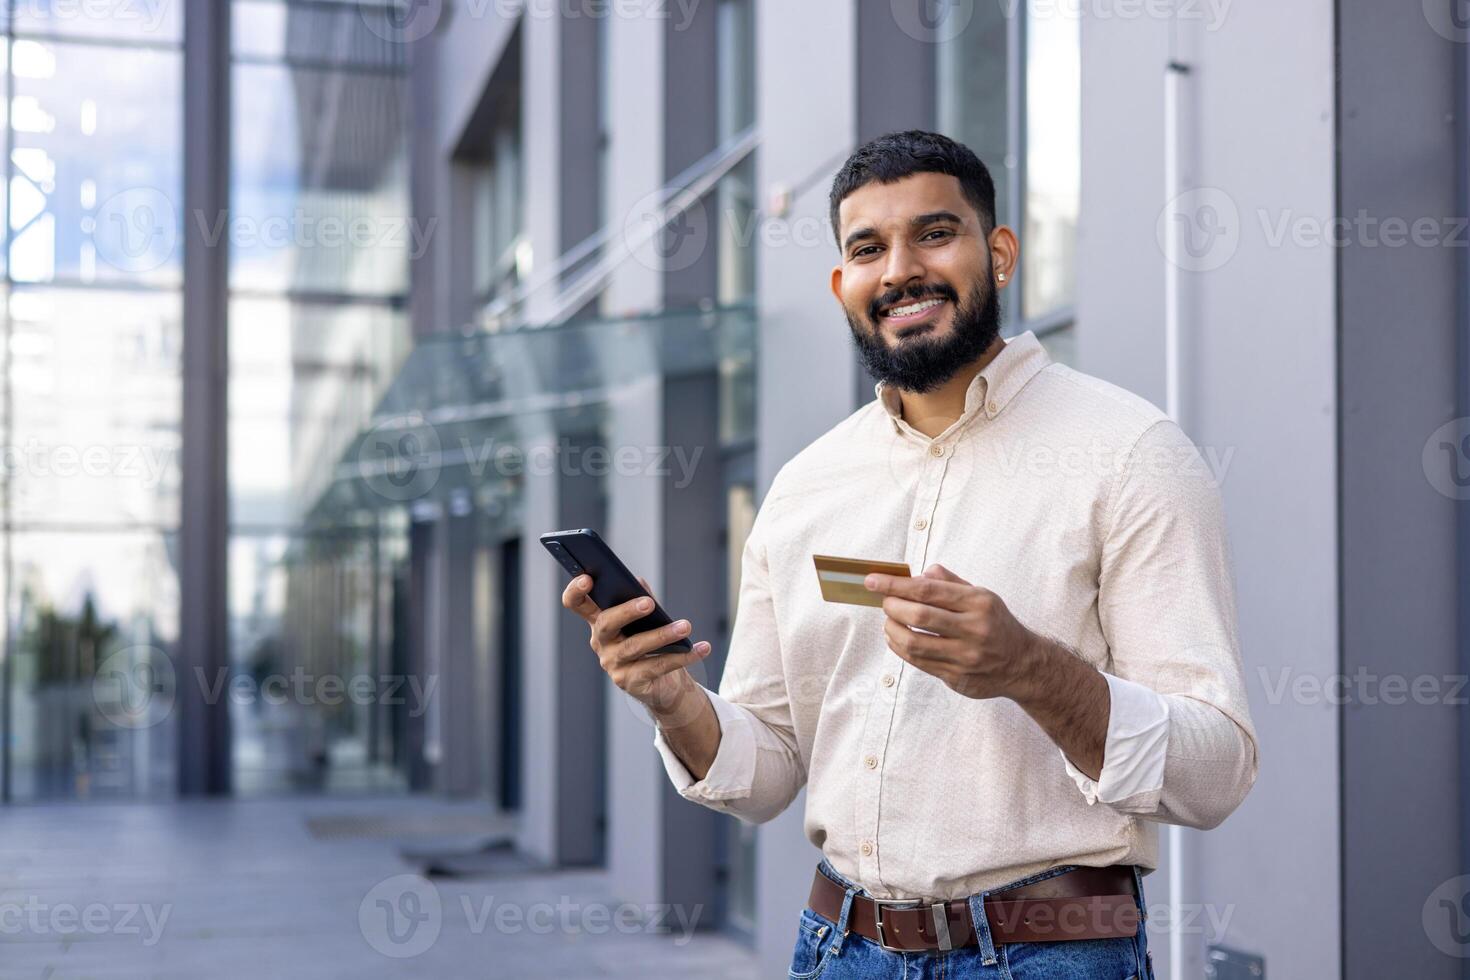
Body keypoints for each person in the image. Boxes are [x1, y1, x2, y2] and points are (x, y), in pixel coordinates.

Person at [562, 130, 1257, 978]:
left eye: (934, 233)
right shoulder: (805, 487)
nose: (898, 271)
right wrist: (671, 699)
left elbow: (1215, 771)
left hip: (1052, 952)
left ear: (998, 254)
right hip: (838, 948)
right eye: (867, 249)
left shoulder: (1129, 451)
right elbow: (769, 770)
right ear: (841, 286)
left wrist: (1030, 669)